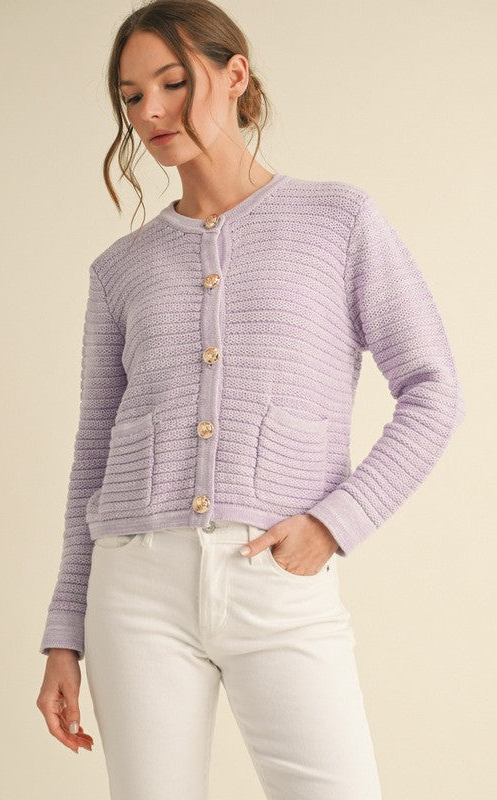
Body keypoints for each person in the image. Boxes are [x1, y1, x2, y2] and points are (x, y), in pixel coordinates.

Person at [36, 1, 465, 798]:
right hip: (134, 590)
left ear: (235, 76)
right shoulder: (119, 270)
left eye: (173, 82)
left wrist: (336, 522)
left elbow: (434, 388)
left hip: (277, 578)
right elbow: (93, 453)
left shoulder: (338, 220)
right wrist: (65, 631)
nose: (151, 111)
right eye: (132, 96)